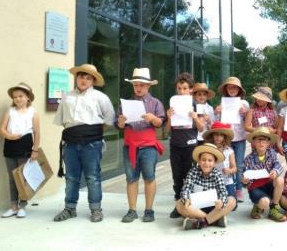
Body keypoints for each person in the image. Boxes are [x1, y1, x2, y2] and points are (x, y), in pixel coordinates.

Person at [53, 64, 115, 223]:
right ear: (76, 78)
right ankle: (69, 208)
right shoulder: (66, 97)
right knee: (71, 177)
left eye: (88, 78)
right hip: (71, 143)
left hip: (92, 144)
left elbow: (109, 119)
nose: (84, 80)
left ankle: (96, 209)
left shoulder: (101, 97)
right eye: (81, 77)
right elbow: (62, 120)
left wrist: (91, 132)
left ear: (92, 81)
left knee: (92, 177)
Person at [116, 67, 165, 223]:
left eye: (142, 85)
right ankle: (132, 210)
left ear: (148, 86)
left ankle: (149, 210)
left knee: (149, 178)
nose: (138, 88)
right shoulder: (125, 103)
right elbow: (118, 126)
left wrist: (152, 118)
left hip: (148, 146)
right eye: (136, 85)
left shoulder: (156, 103)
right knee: (131, 179)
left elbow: (161, 123)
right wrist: (121, 122)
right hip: (130, 145)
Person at [166, 72, 205, 218]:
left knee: (189, 176)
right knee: (177, 177)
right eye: (179, 88)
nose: (181, 91)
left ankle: (189, 204)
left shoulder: (195, 105)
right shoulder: (172, 103)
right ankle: (178, 206)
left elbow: (201, 129)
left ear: (191, 89)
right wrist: (169, 117)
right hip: (175, 145)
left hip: (190, 146)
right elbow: (167, 129)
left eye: (184, 88)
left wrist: (195, 118)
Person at [0, 82, 40, 218]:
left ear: (28, 97)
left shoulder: (33, 112)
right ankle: (13, 207)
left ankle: (23, 205)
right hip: (10, 145)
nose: (17, 99)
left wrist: (35, 150)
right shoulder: (10, 111)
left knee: (22, 177)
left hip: (25, 145)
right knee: (12, 178)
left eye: (20, 96)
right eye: (15, 97)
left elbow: (37, 133)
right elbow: (2, 129)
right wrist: (9, 136)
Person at [175, 143, 236, 230]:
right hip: (196, 208)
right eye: (203, 160)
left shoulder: (217, 174)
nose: (206, 163)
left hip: (214, 207)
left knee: (232, 201)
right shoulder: (193, 172)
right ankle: (213, 220)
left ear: (215, 163)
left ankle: (202, 222)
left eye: (210, 160)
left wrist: (221, 202)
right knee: (179, 204)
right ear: (199, 162)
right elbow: (186, 188)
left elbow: (223, 191)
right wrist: (186, 199)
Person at [215, 77, 250, 202]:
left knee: (239, 165)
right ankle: (227, 186)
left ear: (239, 90)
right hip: (226, 138)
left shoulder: (244, 104)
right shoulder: (222, 102)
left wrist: (245, 113)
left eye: (234, 87)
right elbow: (218, 121)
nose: (232, 89)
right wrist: (217, 112)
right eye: (230, 87)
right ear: (226, 89)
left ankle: (239, 189)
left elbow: (248, 121)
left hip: (240, 137)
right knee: (226, 163)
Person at [241, 127, 286, 222]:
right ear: (253, 142)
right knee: (264, 202)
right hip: (256, 187)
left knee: (280, 180)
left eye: (264, 140)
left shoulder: (272, 153)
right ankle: (258, 205)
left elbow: (277, 164)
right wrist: (245, 182)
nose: (261, 143)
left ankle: (273, 208)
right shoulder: (248, 159)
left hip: (269, 184)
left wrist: (274, 171)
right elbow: (244, 180)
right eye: (258, 140)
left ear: (268, 143)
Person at [203, 122, 237, 202]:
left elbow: (234, 168)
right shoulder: (207, 149)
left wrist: (230, 170)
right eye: (216, 135)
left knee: (232, 203)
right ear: (212, 136)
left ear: (224, 137)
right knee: (213, 202)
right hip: (211, 181)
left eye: (221, 135)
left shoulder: (229, 150)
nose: (218, 137)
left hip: (227, 182)